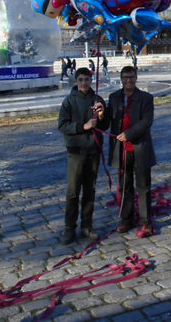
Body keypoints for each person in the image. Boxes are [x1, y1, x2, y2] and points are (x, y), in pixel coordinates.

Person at [103, 65, 156, 236]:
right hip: (121, 150)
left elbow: (147, 121)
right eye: (125, 77)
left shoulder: (146, 98)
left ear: (136, 78)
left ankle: (145, 221)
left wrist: (129, 134)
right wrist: (99, 114)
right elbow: (107, 123)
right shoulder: (114, 98)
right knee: (124, 186)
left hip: (139, 147)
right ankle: (127, 219)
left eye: (131, 77)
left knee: (143, 187)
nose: (128, 80)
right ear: (121, 78)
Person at [58, 68, 106, 245]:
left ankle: (87, 225)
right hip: (76, 152)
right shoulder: (69, 101)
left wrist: (101, 115)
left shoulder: (97, 100)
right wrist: (82, 127)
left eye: (87, 79)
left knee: (89, 190)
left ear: (91, 80)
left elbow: (105, 125)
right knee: (73, 192)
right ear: (76, 81)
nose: (84, 83)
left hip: (93, 151)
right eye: (81, 79)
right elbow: (62, 125)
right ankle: (69, 228)